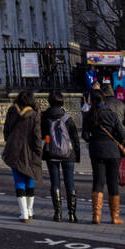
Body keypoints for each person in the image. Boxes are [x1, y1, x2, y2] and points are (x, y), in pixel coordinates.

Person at [85, 86, 125, 224]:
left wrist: (94, 139)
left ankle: (96, 215)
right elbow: (122, 134)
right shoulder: (112, 114)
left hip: (96, 150)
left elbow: (85, 135)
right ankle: (114, 217)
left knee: (98, 181)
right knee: (113, 183)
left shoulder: (89, 115)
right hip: (113, 152)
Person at [2, 91, 44, 222]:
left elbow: (6, 131)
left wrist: (10, 142)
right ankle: (30, 210)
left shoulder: (12, 111)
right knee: (30, 178)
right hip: (30, 151)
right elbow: (37, 136)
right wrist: (38, 151)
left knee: (19, 180)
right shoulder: (34, 115)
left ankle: (23, 213)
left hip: (14, 149)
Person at [40, 91, 81, 222]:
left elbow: (42, 135)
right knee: (70, 183)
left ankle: (57, 214)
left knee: (55, 183)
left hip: (51, 153)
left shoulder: (45, 116)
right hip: (68, 153)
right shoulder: (67, 117)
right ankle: (72, 214)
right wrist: (77, 155)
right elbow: (75, 138)